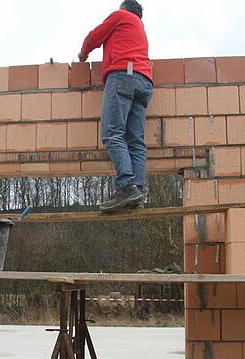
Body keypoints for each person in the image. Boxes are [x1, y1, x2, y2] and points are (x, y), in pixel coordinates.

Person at [79, 0, 153, 213]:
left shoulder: (121, 16)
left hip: (123, 76)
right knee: (136, 141)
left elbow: (94, 37)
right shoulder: (140, 29)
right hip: (144, 82)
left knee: (112, 134)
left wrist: (82, 54)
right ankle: (136, 192)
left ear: (124, 9)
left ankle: (126, 187)